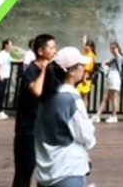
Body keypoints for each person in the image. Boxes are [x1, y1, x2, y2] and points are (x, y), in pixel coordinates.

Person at [35, 46, 97, 187]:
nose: (84, 68)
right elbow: (87, 137)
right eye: (81, 65)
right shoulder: (71, 99)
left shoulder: (47, 95)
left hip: (45, 172)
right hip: (67, 171)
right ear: (72, 71)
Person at [12, 34, 56, 187]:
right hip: (28, 129)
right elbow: (36, 91)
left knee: (46, 173)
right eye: (51, 48)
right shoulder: (31, 70)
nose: (54, 51)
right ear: (40, 51)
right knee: (24, 173)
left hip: (45, 129)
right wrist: (45, 69)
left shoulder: (51, 70)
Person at [93, 41, 123, 123]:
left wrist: (116, 52)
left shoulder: (119, 57)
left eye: (114, 47)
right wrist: (105, 63)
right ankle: (97, 116)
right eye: (111, 48)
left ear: (117, 48)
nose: (112, 49)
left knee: (114, 98)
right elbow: (107, 66)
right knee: (105, 98)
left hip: (115, 79)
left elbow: (119, 57)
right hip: (110, 79)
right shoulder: (113, 58)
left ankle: (114, 116)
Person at [77, 38, 97, 106]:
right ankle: (83, 112)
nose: (85, 47)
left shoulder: (90, 55)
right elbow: (84, 47)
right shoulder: (89, 53)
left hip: (86, 78)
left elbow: (88, 68)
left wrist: (84, 78)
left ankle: (84, 112)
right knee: (83, 96)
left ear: (90, 47)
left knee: (84, 96)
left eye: (87, 45)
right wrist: (84, 40)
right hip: (86, 77)